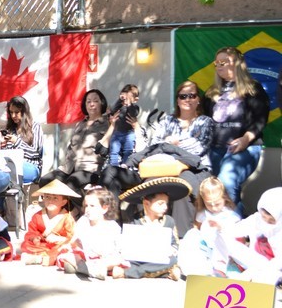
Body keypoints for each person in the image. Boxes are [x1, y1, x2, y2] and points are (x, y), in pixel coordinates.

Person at [203, 47, 270, 211]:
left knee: (226, 182)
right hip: (216, 149)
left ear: (237, 64)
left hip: (244, 147)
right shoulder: (212, 91)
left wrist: (246, 139)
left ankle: (222, 224)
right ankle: (241, 229)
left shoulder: (253, 88)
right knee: (223, 190)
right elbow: (205, 120)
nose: (218, 66)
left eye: (223, 62)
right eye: (216, 63)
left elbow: (261, 118)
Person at [149, 80, 214, 235]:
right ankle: (152, 232)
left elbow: (198, 148)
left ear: (198, 99)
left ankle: (182, 237)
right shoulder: (167, 121)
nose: (187, 99)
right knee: (148, 185)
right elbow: (154, 144)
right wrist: (172, 146)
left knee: (182, 189)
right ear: (177, 100)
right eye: (183, 96)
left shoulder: (205, 122)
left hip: (196, 169)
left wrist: (169, 145)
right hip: (166, 168)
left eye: (192, 95)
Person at [115, 177, 192, 280]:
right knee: (128, 261)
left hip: (161, 259)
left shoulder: (169, 221)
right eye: (160, 203)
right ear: (146, 203)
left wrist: (171, 250)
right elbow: (128, 244)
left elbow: (175, 243)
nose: (165, 207)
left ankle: (132, 273)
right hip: (140, 259)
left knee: (172, 260)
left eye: (166, 203)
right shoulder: (136, 220)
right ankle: (163, 273)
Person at [38, 89, 109, 195]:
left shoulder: (107, 124)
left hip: (90, 169)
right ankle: (67, 208)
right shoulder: (80, 124)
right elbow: (71, 147)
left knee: (71, 183)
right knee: (45, 181)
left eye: (95, 101)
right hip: (69, 168)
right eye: (88, 101)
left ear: (102, 103)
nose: (92, 104)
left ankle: (78, 210)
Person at [215, 187, 282, 285]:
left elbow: (278, 262)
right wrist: (220, 229)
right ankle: (219, 269)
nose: (266, 221)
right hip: (255, 261)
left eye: (271, 220)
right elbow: (235, 230)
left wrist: (254, 273)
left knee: (265, 279)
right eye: (264, 217)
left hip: (273, 269)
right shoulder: (257, 219)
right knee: (223, 238)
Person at [178, 177, 241, 277]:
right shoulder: (203, 214)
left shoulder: (231, 216)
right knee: (191, 235)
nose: (214, 208)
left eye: (217, 204)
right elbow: (197, 228)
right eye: (209, 204)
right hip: (205, 249)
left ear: (224, 198)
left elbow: (236, 237)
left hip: (224, 253)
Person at [58, 186, 122, 280]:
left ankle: (82, 268)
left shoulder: (112, 226)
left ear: (104, 208)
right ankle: (90, 270)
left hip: (104, 258)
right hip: (86, 257)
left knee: (116, 260)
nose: (88, 209)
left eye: (92, 206)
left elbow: (118, 248)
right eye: (86, 206)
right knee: (68, 256)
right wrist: (71, 245)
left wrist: (105, 255)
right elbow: (74, 240)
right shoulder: (83, 221)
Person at [20, 179, 79, 266]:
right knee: (26, 244)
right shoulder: (37, 216)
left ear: (64, 202)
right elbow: (31, 232)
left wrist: (59, 239)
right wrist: (34, 238)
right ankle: (40, 258)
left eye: (55, 198)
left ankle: (41, 259)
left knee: (64, 249)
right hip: (42, 245)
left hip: (57, 246)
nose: (50, 201)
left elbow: (72, 238)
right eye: (47, 197)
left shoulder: (67, 218)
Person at [0, 96, 44, 184]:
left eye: (17, 112)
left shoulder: (35, 127)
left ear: (24, 112)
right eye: (11, 112)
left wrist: (17, 142)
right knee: (0, 170)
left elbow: (36, 153)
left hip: (30, 166)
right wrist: (3, 144)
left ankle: (14, 193)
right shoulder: (10, 130)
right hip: (10, 166)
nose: (13, 116)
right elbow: (6, 156)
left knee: (9, 170)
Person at [108, 84, 140, 166]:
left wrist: (130, 104)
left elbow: (133, 113)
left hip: (129, 133)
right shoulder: (120, 106)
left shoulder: (135, 107)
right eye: (124, 98)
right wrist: (119, 100)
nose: (125, 100)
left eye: (129, 98)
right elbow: (112, 110)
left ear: (135, 100)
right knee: (114, 150)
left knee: (128, 150)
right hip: (117, 132)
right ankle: (113, 166)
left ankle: (125, 165)